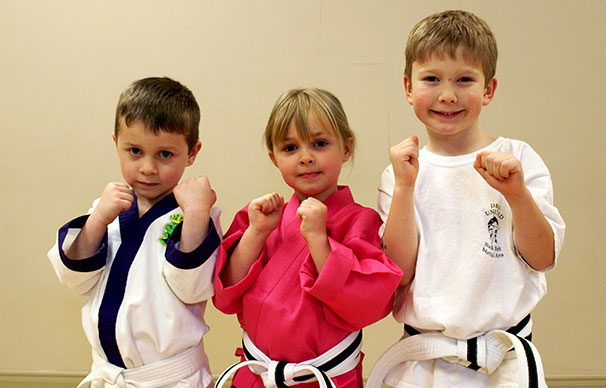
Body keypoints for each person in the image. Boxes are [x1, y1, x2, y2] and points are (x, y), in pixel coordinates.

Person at [367, 10, 566, 388]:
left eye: (464, 79)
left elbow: (542, 257)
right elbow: (399, 272)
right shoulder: (400, 171)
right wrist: (405, 188)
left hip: (503, 360)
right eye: (431, 79)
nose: (447, 95)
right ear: (408, 88)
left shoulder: (519, 159)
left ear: (489, 89)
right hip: (422, 362)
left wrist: (517, 194)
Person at [213, 88, 403, 388]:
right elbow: (226, 296)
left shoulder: (361, 221)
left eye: (320, 143)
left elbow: (365, 306)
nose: (305, 158)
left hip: (326, 377)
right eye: (290, 148)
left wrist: (318, 239)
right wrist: (257, 232)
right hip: (257, 376)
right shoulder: (262, 217)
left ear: (346, 148)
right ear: (273, 157)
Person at [47, 77, 221, 388]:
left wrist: (196, 214)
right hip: (109, 374)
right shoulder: (107, 208)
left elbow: (192, 288)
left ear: (192, 153)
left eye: (165, 154)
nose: (148, 168)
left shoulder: (197, 213)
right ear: (116, 143)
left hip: (171, 378)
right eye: (135, 151)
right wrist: (98, 219)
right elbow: (75, 279)